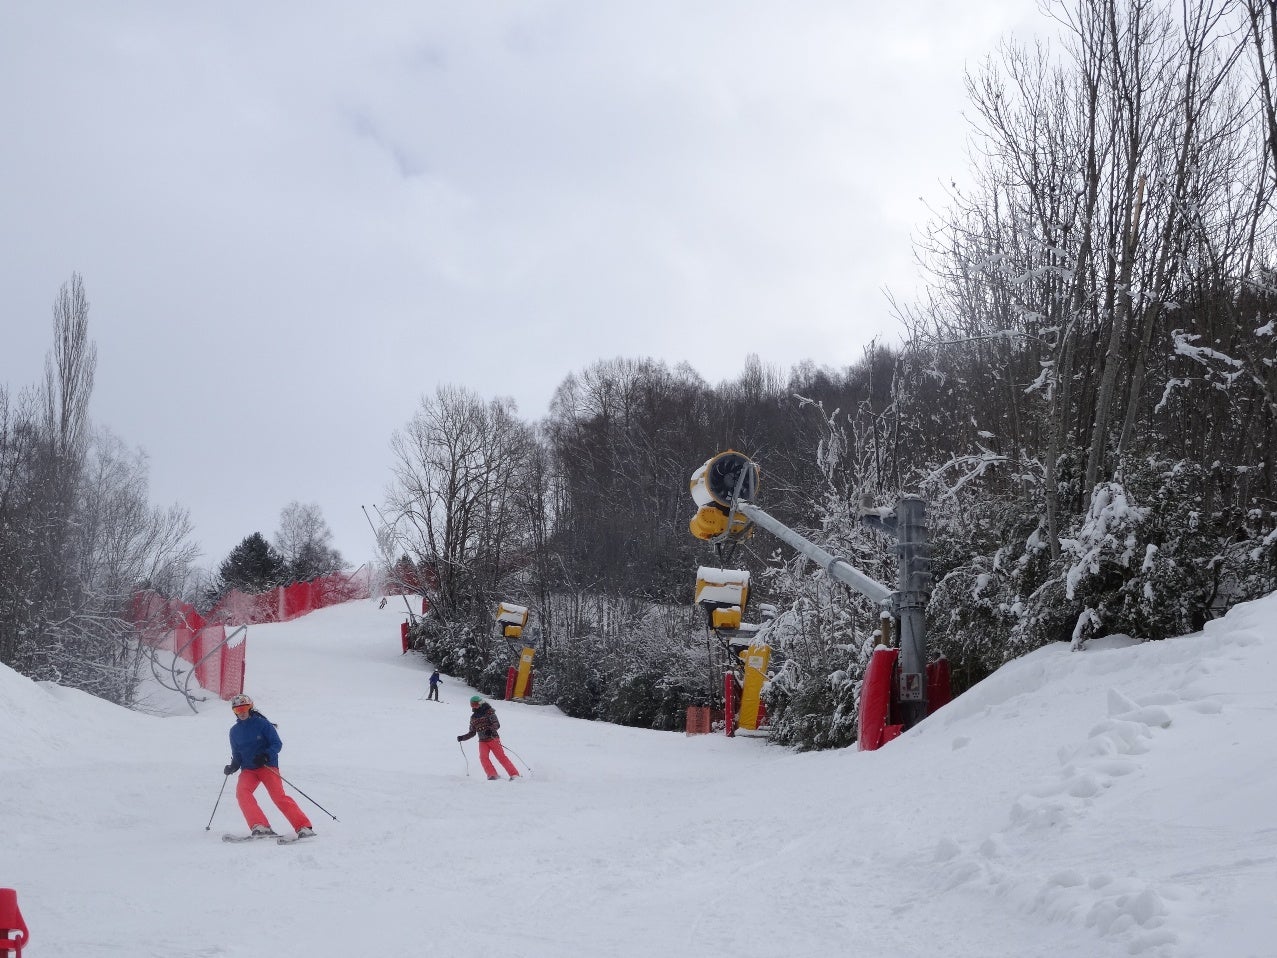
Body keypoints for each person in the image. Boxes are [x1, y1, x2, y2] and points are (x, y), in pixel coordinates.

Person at [223, 693, 315, 839]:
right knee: (242, 793)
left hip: (267, 766)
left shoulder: (262, 724)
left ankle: (304, 826)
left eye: (244, 708)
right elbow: (237, 754)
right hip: (248, 769)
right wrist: (233, 766)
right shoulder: (234, 731)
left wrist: (266, 755)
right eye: (237, 710)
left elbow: (277, 744)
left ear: (250, 707)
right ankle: (260, 826)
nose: (241, 712)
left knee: (278, 796)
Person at [457, 695, 520, 781]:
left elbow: (496, 724)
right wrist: (463, 737)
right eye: (472, 705)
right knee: (483, 757)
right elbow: (472, 732)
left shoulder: (489, 712)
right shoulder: (473, 718)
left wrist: (490, 730)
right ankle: (492, 775)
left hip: (493, 738)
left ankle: (514, 774)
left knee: (501, 757)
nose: (474, 707)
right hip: (482, 741)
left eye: (475, 704)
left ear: (480, 703)